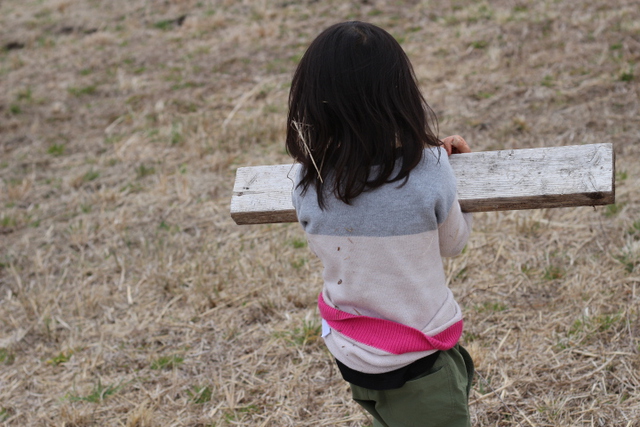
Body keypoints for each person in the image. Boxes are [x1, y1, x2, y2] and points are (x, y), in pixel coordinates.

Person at [286, 21, 474, 427]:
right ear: (400, 94)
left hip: (352, 352)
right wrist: (446, 173)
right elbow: (452, 243)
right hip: (417, 360)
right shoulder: (431, 170)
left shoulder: (306, 181)